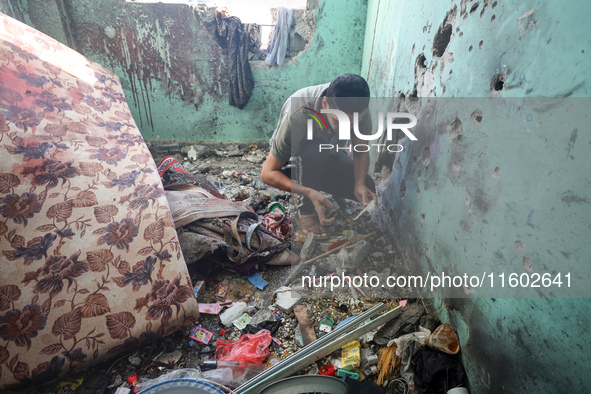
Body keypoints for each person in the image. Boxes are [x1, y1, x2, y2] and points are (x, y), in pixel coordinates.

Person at [261, 73, 377, 239]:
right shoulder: (299, 112)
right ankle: (306, 210)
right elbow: (267, 173)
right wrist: (308, 192)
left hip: (328, 157)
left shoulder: (360, 111)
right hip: (294, 162)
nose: (345, 130)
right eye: (337, 121)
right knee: (315, 149)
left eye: (350, 125)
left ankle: (317, 187)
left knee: (367, 185)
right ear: (325, 103)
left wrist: (359, 183)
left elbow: (360, 150)